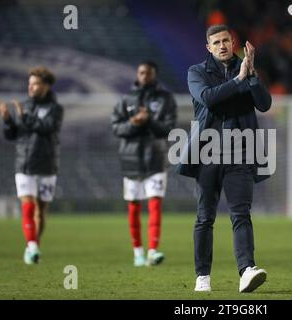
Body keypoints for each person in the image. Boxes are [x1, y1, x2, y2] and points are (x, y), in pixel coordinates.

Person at [178, 24, 272, 293]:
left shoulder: (246, 69)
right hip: (207, 153)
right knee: (205, 216)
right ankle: (203, 276)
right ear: (208, 47)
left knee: (241, 213)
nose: (222, 45)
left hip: (240, 152)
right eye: (216, 42)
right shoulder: (196, 72)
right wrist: (239, 80)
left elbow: (264, 104)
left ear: (233, 43)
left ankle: (247, 271)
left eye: (226, 41)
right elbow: (208, 98)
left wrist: (251, 75)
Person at [111, 61, 177, 267]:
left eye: (148, 73)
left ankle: (153, 251)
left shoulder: (165, 99)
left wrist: (148, 120)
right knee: (134, 208)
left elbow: (168, 128)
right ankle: (138, 252)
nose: (144, 76)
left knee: (155, 205)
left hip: (156, 159)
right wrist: (133, 122)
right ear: (137, 74)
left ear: (155, 75)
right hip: (131, 160)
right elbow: (116, 128)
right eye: (141, 72)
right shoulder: (126, 99)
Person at [0, 66, 64, 264]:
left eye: (35, 84)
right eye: (30, 84)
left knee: (41, 211)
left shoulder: (55, 109)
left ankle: (34, 244)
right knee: (27, 205)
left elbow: (47, 128)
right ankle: (32, 246)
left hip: (47, 164)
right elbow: (12, 135)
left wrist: (24, 117)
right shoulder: (24, 106)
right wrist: (8, 121)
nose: (31, 87)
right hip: (24, 163)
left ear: (46, 86)